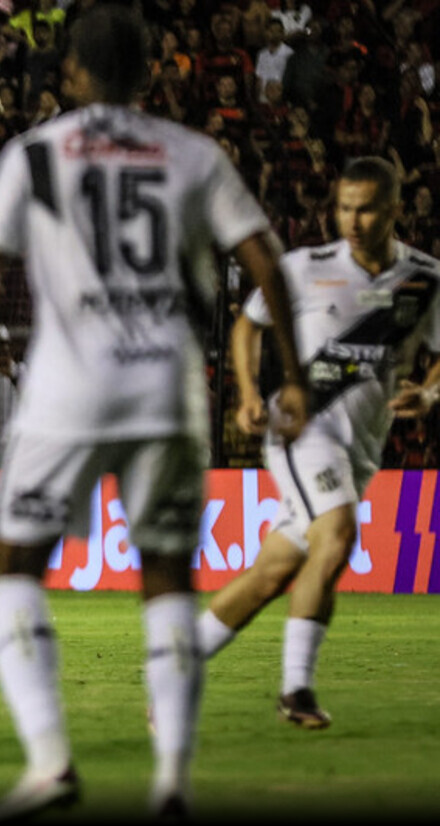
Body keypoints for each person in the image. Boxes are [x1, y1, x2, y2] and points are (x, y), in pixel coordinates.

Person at [0, 6, 309, 820]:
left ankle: (48, 763)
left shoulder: (34, 154)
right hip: (169, 391)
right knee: (168, 577)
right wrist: (296, 377)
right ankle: (172, 779)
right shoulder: (193, 153)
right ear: (151, 73)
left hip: (67, 392)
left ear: (70, 74)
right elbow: (268, 265)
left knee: (14, 564)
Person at [197, 157, 440, 728]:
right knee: (337, 531)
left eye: (367, 208)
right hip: (300, 430)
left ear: (396, 209)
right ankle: (296, 690)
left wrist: (428, 395)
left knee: (271, 574)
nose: (352, 220)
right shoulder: (306, 267)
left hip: (360, 449)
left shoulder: (426, 279)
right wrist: (250, 392)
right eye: (344, 207)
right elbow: (246, 324)